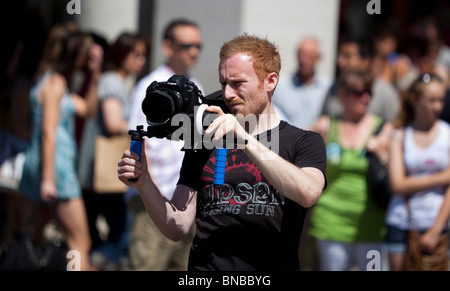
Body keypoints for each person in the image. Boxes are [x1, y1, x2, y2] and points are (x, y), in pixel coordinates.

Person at [118, 33, 327, 271]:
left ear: (270, 81)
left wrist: (244, 139)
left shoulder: (303, 141)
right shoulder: (206, 138)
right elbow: (177, 227)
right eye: (223, 83)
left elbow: (308, 192)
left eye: (238, 83)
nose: (227, 93)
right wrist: (145, 184)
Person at [18, 21, 103, 271]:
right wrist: (49, 179)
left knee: (39, 236)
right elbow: (48, 131)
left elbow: (87, 109)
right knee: (80, 242)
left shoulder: (48, 80)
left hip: (45, 166)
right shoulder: (55, 83)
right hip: (58, 170)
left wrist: (95, 74)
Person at [125, 18, 203, 271]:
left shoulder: (194, 87)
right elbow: (138, 137)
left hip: (187, 198)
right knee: (146, 266)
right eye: (187, 45)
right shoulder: (150, 86)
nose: (194, 52)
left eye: (198, 46)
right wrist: (146, 190)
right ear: (168, 47)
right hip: (154, 198)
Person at [309, 69, 394, 271]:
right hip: (330, 222)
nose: (365, 97)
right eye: (358, 92)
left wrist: (383, 155)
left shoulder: (383, 129)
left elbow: (398, 177)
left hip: (371, 225)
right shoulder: (326, 126)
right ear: (343, 95)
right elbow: (294, 153)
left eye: (368, 92)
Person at [77, 32, 148, 270]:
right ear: (122, 54)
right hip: (105, 167)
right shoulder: (112, 81)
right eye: (136, 55)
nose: (142, 61)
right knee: (121, 235)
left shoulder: (116, 80)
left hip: (104, 168)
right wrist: (145, 129)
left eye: (144, 56)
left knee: (111, 232)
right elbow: (112, 122)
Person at [385, 73, 450, 271]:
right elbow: (398, 185)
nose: (437, 106)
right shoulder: (400, 135)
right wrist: (443, 176)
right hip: (402, 222)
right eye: (431, 100)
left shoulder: (447, 134)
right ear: (414, 99)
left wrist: (436, 230)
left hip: (438, 224)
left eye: (441, 100)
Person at [321, 37, 400, 123]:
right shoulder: (334, 88)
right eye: (340, 55)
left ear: (365, 61)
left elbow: (394, 126)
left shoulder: (385, 92)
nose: (341, 62)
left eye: (347, 56)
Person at [273, 36, 331, 130]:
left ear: (318, 58)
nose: (305, 60)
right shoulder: (279, 87)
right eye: (302, 55)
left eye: (310, 56)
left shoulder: (327, 87)